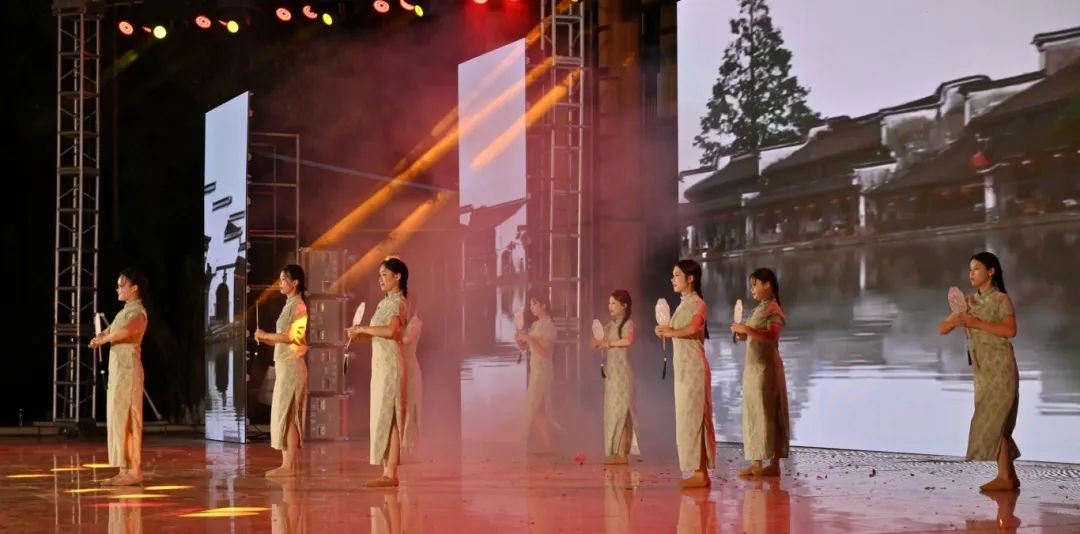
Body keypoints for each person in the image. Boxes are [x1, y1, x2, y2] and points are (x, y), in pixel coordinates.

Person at [938, 251, 1020, 492]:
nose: (971, 274)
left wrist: (977, 323)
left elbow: (1010, 330)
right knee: (995, 421)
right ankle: (1009, 476)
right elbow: (942, 329)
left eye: (976, 269)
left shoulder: (1001, 299)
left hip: (1001, 368)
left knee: (996, 421)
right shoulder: (968, 302)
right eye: (970, 270)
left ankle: (1004, 477)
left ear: (991, 272)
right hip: (982, 371)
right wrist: (958, 318)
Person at [348, 256, 410, 487]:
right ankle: (387, 472)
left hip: (391, 367)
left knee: (390, 417)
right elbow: (380, 335)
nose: (380, 279)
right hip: (381, 367)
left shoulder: (397, 302)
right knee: (383, 417)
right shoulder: (385, 303)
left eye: (384, 275)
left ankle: (390, 473)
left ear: (397, 277)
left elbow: (391, 331)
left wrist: (364, 328)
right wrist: (360, 335)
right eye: (379, 275)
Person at [655, 259, 716, 488]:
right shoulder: (682, 304)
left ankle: (701, 473)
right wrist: (664, 330)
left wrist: (671, 332)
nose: (673, 279)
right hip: (683, 369)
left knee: (695, 417)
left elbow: (694, 327)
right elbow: (678, 330)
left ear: (690, 278)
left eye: (677, 275)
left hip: (694, 369)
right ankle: (697, 471)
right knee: (686, 420)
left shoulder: (699, 303)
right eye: (673, 275)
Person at [90, 268, 150, 486]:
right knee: (118, 418)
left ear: (134, 288)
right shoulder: (123, 312)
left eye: (121, 285)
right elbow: (112, 330)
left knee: (130, 418)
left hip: (129, 371)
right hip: (118, 371)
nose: (118, 289)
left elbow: (126, 331)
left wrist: (104, 340)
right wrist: (101, 335)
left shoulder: (138, 312)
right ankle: (123, 469)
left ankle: (134, 471)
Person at [730, 268, 790, 477]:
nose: (752, 289)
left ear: (768, 285)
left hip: (766, 369)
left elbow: (771, 336)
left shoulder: (773, 309)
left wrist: (746, 330)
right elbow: (756, 335)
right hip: (753, 368)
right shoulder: (758, 309)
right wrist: (743, 336)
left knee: (768, 412)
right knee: (754, 412)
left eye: (755, 284)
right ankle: (757, 461)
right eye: (751, 285)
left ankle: (773, 463)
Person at [254, 264, 309, 477]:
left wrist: (266, 335)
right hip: (284, 367)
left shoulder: (299, 306)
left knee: (289, 415)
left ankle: (289, 466)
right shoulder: (289, 305)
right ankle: (287, 464)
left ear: (295, 282)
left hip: (292, 367)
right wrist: (264, 338)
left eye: (284, 279)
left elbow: (292, 337)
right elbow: (282, 340)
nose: (281, 283)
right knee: (284, 415)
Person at [590, 290, 640, 465]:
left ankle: (622, 454)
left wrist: (607, 343)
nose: (610, 306)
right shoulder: (610, 325)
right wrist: (597, 342)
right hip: (611, 376)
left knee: (622, 413)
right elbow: (598, 340)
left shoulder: (628, 324)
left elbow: (628, 340)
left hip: (623, 376)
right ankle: (618, 452)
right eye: (609, 303)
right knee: (613, 413)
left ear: (624, 305)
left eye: (613, 303)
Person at [516, 292, 557, 453]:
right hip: (536, 369)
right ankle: (548, 444)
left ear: (544, 305)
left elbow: (545, 352)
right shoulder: (536, 325)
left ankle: (522, 441)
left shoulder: (549, 326)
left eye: (535, 304)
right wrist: (520, 340)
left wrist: (529, 339)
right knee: (538, 408)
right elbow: (527, 347)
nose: (532, 307)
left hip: (542, 371)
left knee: (532, 406)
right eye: (531, 305)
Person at [401, 304, 424, 459]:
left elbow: (407, 340)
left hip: (411, 370)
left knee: (411, 406)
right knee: (404, 406)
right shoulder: (404, 322)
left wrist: (388, 336)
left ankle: (409, 446)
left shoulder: (415, 323)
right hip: (402, 367)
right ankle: (403, 446)